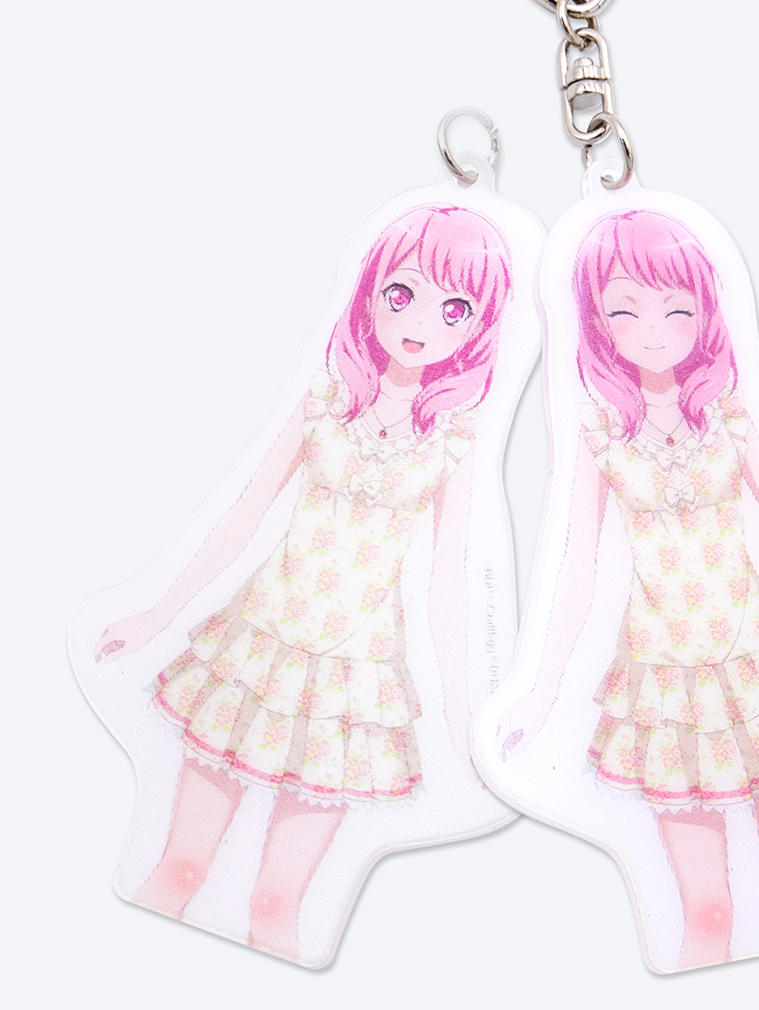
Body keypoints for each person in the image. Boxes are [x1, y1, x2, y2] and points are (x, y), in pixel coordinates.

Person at [497, 208, 759, 968]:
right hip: (665, 689)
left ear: (704, 314)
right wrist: (540, 692)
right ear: (596, 322)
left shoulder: (728, 418)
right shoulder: (599, 433)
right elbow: (577, 568)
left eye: (677, 310)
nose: (654, 332)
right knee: (705, 914)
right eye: (625, 311)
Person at [95, 204, 512, 961]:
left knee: (280, 908)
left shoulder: (453, 438)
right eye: (401, 294)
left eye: (454, 309)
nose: (421, 323)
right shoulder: (326, 403)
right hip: (258, 652)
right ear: (370, 292)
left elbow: (447, 584)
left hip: (353, 685)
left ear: (477, 329)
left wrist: (462, 726)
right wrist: (153, 615)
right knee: (179, 868)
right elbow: (241, 515)